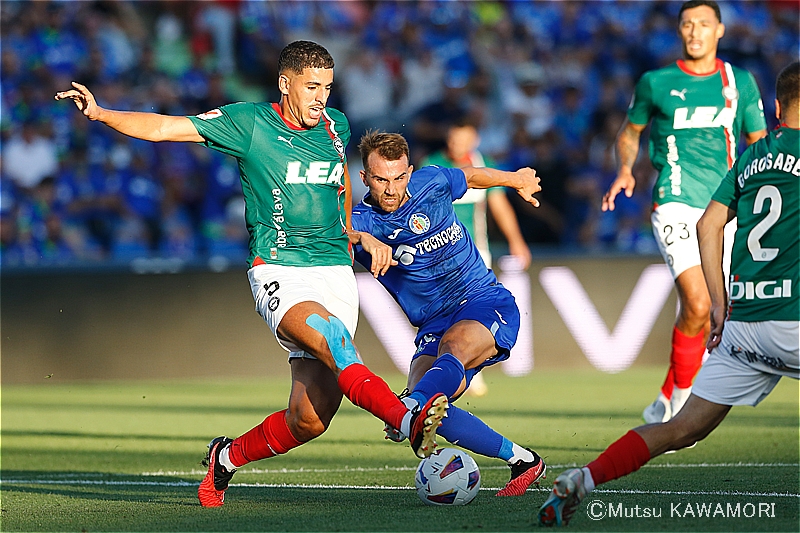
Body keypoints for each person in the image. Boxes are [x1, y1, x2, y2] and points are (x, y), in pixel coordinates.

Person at [55, 40, 449, 508]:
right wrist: (103, 114)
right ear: (286, 84)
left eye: (327, 85)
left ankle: (226, 458)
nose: (321, 96)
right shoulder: (249, 123)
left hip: (336, 275)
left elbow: (340, 183)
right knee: (337, 344)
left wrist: (351, 232)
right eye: (311, 86)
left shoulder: (334, 125)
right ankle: (409, 422)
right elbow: (165, 127)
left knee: (309, 420)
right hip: (281, 270)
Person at [538, 60, 799, 528]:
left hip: (743, 328)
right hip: (793, 321)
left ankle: (583, 477)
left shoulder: (750, 160)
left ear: (776, 108)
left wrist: (720, 304)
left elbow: (708, 223)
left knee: (681, 428)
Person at [349, 130, 547, 496]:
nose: (391, 189)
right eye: (380, 180)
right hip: (432, 324)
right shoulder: (361, 222)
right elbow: (332, 236)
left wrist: (514, 179)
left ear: (410, 171)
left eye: (398, 177)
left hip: (483, 300)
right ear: (364, 178)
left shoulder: (433, 181)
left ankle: (409, 405)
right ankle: (523, 461)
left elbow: (471, 176)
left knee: (440, 368)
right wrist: (362, 239)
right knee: (424, 414)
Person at [602, 0, 767, 424]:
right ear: (679, 31)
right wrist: (625, 168)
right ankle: (682, 405)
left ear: (720, 31)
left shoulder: (739, 82)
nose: (695, 31)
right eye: (687, 24)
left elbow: (760, 141)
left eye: (703, 24)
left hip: (726, 207)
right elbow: (630, 132)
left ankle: (669, 393)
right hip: (674, 200)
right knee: (697, 301)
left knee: (713, 308)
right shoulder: (657, 83)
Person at [421, 119, 532, 396]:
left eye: (462, 139)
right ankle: (441, 368)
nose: (457, 144)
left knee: (473, 313)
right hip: (438, 256)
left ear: (475, 140)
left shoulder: (484, 165)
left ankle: (465, 367)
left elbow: (498, 205)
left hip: (475, 254)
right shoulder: (432, 165)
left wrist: (516, 241)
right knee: (440, 315)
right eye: (453, 139)